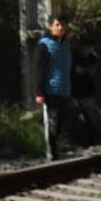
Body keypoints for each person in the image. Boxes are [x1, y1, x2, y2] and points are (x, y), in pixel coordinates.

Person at [35, 14, 73, 161]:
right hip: (50, 89)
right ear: (51, 26)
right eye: (57, 25)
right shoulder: (44, 44)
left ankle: (56, 149)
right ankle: (51, 151)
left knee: (61, 121)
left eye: (62, 25)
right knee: (52, 120)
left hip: (64, 89)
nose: (60, 28)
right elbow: (39, 69)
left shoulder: (67, 44)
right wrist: (39, 92)